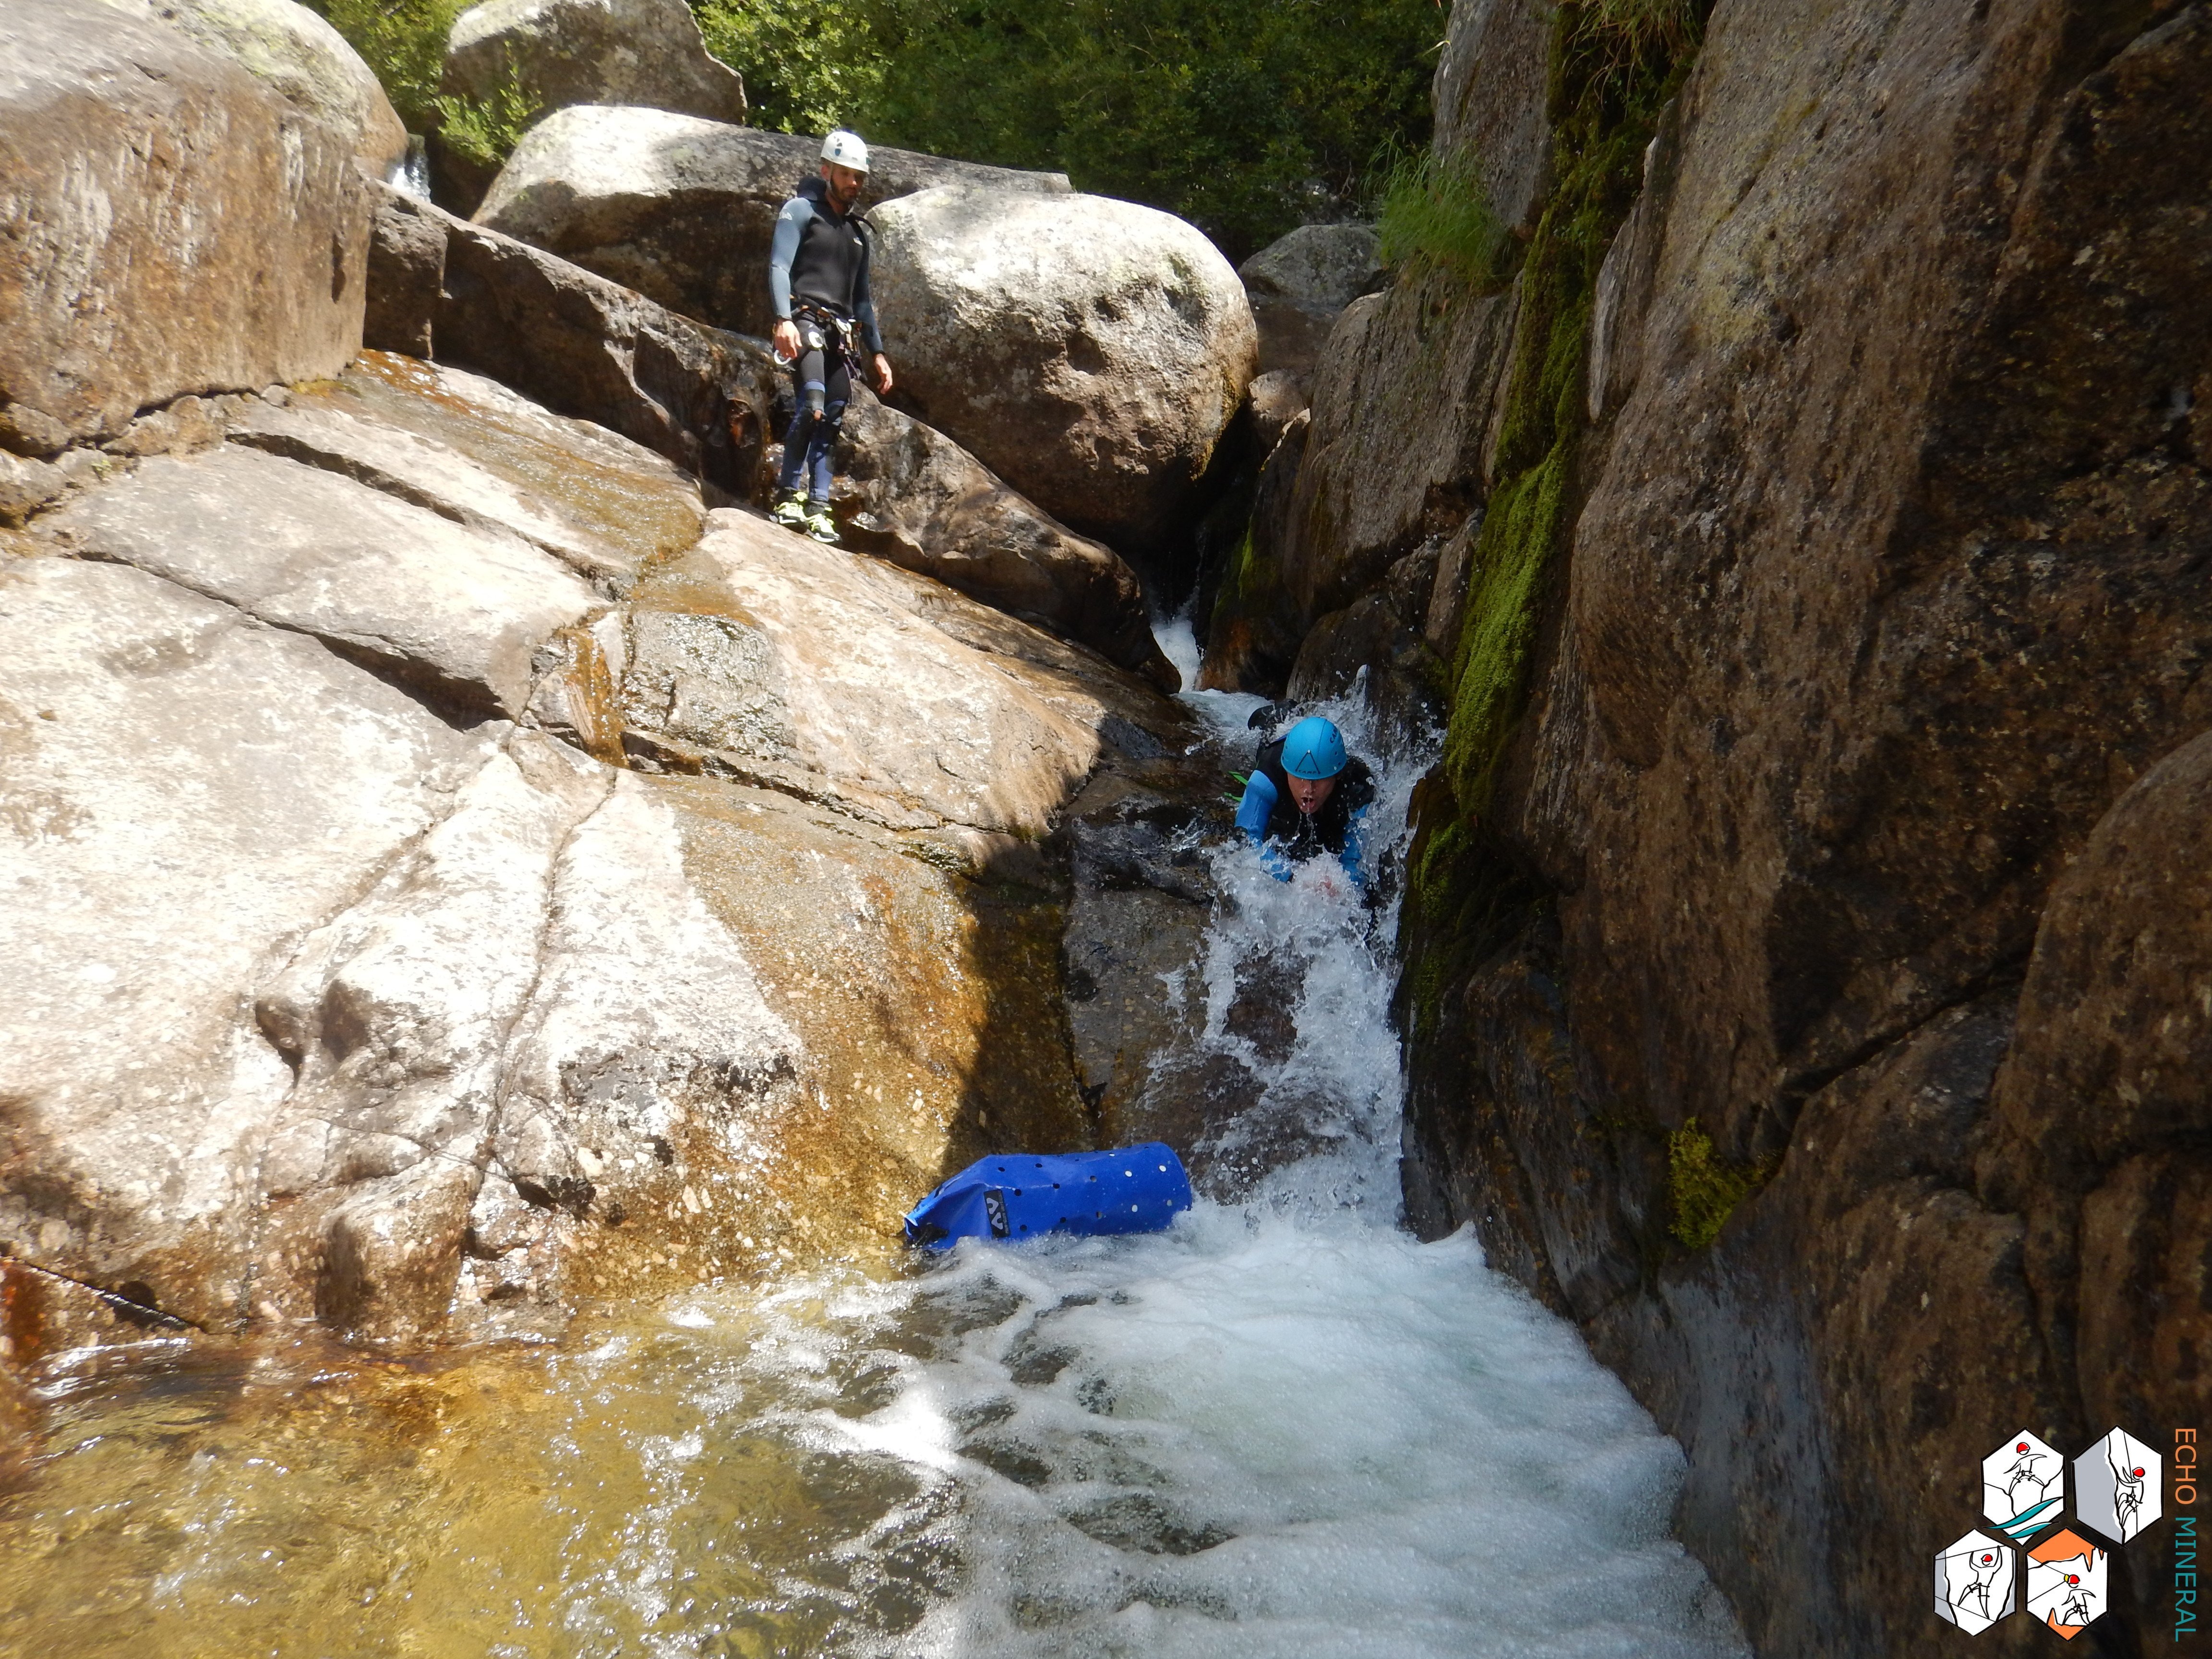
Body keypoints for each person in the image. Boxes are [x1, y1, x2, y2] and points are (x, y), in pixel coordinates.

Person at [767, 129, 894, 545]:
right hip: (804, 321)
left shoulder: (858, 235)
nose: (853, 183)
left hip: (840, 333)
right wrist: (783, 319)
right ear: (827, 171)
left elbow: (863, 301)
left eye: (859, 176)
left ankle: (819, 508)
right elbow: (780, 266)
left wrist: (876, 353)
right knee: (814, 404)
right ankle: (788, 495)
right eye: (845, 174)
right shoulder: (802, 211)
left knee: (834, 415)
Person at [1235, 716, 1375, 885]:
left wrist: (1340, 885)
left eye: (1319, 780)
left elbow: (1356, 864)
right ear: (1288, 772)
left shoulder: (1359, 787)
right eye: (1299, 778)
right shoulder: (1268, 774)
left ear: (1337, 775)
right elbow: (1245, 840)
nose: (1308, 789)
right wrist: (1294, 876)